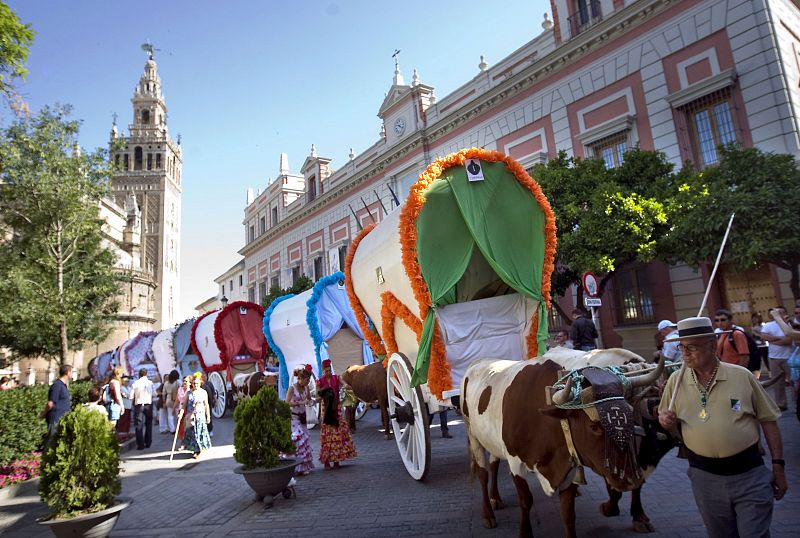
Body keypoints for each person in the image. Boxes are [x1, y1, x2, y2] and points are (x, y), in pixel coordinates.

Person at [657, 317, 787, 538]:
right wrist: (666, 423)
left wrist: (778, 467)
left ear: (712, 345)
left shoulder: (741, 376)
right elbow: (670, 426)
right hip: (704, 477)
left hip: (749, 475)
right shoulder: (675, 381)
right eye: (682, 347)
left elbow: (768, 420)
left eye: (692, 347)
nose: (685, 353)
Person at [316, 359, 357, 469]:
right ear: (323, 371)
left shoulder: (336, 378)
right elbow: (318, 394)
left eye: (329, 370)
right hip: (326, 409)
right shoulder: (319, 381)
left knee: (339, 433)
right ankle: (326, 461)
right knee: (328, 435)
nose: (328, 372)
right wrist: (318, 397)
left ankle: (336, 460)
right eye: (326, 371)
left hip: (336, 407)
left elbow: (344, 383)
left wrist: (347, 386)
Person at [760, 306, 793, 410]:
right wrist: (780, 338)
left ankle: (796, 401)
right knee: (777, 383)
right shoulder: (768, 325)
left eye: (782, 312)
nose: (779, 314)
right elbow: (764, 337)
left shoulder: (789, 325)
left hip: (789, 358)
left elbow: (788, 341)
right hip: (773, 358)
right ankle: (781, 404)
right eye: (778, 312)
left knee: (794, 381)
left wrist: (772, 340)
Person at [285, 366, 314, 475]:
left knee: (304, 440)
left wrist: (311, 402)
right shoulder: (292, 388)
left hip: (303, 417)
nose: (308, 382)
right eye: (307, 380)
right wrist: (299, 403)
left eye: (309, 380)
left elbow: (310, 399)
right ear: (300, 378)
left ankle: (303, 466)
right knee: (298, 438)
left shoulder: (306, 388)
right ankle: (294, 466)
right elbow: (286, 403)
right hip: (294, 417)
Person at [40, 364, 73, 447]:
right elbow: (50, 403)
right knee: (51, 443)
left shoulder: (63, 385)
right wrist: (43, 414)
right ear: (67, 373)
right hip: (55, 419)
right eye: (71, 372)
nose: (72, 374)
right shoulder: (57, 385)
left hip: (61, 419)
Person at [183, 375, 212, 459]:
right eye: (194, 383)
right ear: (192, 384)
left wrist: (208, 416)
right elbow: (184, 404)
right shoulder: (188, 393)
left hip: (200, 416)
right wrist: (181, 412)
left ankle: (198, 450)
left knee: (199, 433)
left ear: (200, 383)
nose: (196, 385)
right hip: (191, 416)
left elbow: (206, 405)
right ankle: (195, 449)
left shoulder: (203, 392)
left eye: (197, 383)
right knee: (192, 433)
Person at [131, 368, 154, 450]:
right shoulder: (150, 383)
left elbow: (131, 396)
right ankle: (148, 442)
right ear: (146, 374)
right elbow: (153, 393)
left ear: (139, 374)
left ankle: (140, 445)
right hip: (148, 404)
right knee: (148, 423)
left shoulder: (135, 383)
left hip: (139, 404)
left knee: (138, 424)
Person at [159, 370, 179, 434]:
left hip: (168, 399)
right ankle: (179, 428)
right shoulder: (177, 382)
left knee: (170, 415)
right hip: (176, 399)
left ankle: (172, 429)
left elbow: (163, 393)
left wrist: (164, 402)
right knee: (177, 414)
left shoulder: (166, 383)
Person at [175, 375, 192, 450]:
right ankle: (182, 443)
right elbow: (177, 399)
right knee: (180, 426)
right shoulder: (180, 389)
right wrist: (174, 408)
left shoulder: (191, 390)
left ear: (190, 382)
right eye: (184, 381)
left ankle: (189, 442)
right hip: (181, 408)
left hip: (188, 410)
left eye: (186, 381)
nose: (184, 382)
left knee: (188, 427)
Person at [200, 372, 217, 437]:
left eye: (205, 376)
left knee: (209, 416)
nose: (204, 378)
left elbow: (213, 392)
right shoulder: (200, 385)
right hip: (201, 403)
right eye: (203, 376)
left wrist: (215, 400)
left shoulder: (209, 384)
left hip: (209, 402)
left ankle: (210, 430)